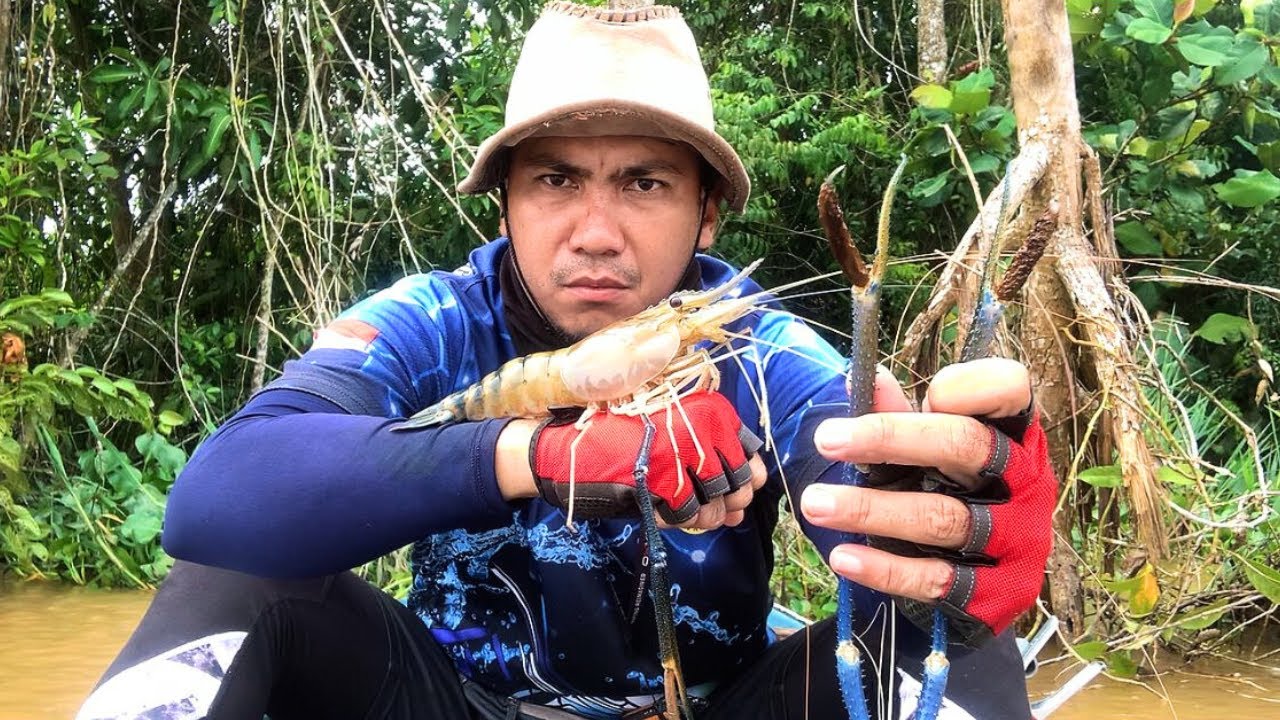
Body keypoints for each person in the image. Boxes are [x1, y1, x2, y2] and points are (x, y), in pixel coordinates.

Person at [78, 3, 1055, 719]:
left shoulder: (754, 341)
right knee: (236, 578)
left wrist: (951, 510)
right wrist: (534, 458)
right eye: (554, 180)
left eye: (644, 183)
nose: (597, 233)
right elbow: (214, 502)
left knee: (936, 620)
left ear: (707, 209)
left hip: (709, 707)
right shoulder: (430, 322)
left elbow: (866, 487)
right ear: (501, 197)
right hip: (456, 705)